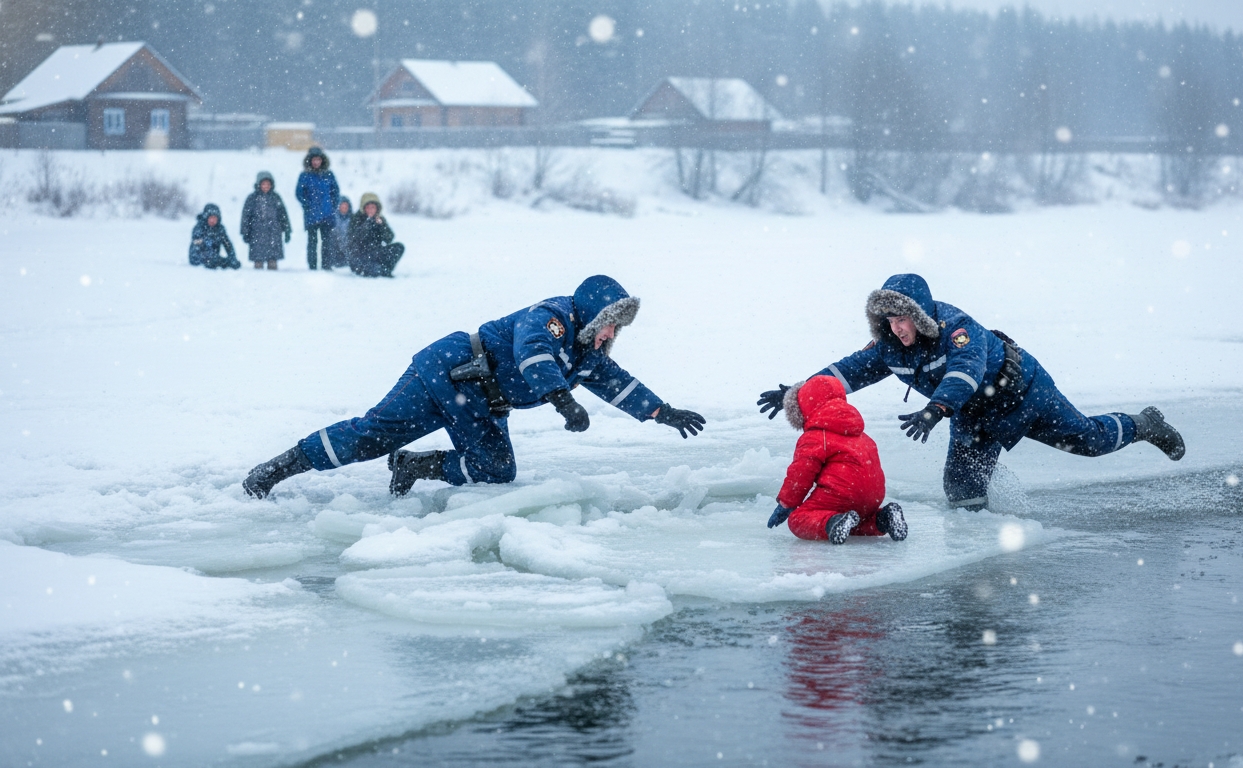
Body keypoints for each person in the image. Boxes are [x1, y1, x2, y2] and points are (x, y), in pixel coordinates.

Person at [243, 275, 707, 499]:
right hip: (445, 373)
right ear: (592, 314)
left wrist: (661, 412)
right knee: (371, 435)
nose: (611, 336)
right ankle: (278, 468)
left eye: (616, 331)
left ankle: (414, 465)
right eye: (610, 325)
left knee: (496, 468)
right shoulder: (552, 317)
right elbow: (532, 354)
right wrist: (563, 400)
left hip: (481, 404)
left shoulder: (587, 351)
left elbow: (616, 384)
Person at [758, 273, 1186, 511]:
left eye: (901, 319)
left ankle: (1145, 424)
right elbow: (845, 373)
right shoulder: (888, 347)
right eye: (887, 320)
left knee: (1089, 443)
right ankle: (989, 571)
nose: (895, 328)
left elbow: (965, 371)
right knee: (961, 492)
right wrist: (800, 393)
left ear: (920, 316)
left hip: (1024, 394)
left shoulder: (961, 331)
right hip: (974, 418)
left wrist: (935, 409)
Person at [768, 375, 907, 545]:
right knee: (854, 521)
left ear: (805, 407)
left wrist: (786, 504)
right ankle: (883, 518)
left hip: (841, 494)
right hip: (873, 496)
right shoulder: (861, 435)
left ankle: (831, 523)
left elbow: (801, 473)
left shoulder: (816, 437)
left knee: (798, 519)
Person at [294, 146, 341, 270]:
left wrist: (333, 206)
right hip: (311, 214)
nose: (316, 162)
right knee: (312, 242)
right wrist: (306, 205)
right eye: (314, 160)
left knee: (327, 242)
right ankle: (312, 265)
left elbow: (335, 192)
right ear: (309, 161)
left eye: (318, 160)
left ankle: (326, 265)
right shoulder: (305, 176)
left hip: (327, 214)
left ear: (322, 160)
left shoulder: (329, 175)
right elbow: (299, 193)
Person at [239, 171, 291, 270]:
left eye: (268, 184)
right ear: (259, 184)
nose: (266, 186)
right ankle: (258, 274)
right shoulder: (252, 198)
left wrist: (287, 229)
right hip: (257, 232)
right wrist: (245, 231)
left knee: (272, 258)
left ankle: (273, 272)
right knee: (258, 258)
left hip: (273, 232)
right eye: (263, 184)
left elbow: (283, 214)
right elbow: (246, 216)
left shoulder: (276, 198)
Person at [347, 193, 404, 278]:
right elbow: (354, 239)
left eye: (373, 207)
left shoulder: (380, 219)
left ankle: (385, 270)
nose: (370, 210)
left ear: (377, 208)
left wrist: (382, 226)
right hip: (360, 257)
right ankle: (382, 271)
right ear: (364, 208)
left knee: (399, 247)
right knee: (374, 270)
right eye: (368, 207)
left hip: (376, 253)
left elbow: (389, 238)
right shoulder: (356, 219)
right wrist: (367, 224)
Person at [188, 203, 240, 269]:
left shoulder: (220, 229)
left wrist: (232, 258)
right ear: (206, 217)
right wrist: (208, 258)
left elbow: (227, 244)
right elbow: (197, 244)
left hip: (214, 258)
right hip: (197, 259)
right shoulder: (199, 228)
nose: (213, 220)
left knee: (228, 262)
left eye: (215, 218)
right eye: (211, 218)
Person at [332, 196, 353, 268]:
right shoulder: (333, 218)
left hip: (348, 247)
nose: (344, 208)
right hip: (335, 246)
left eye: (346, 206)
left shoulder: (353, 219)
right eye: (342, 206)